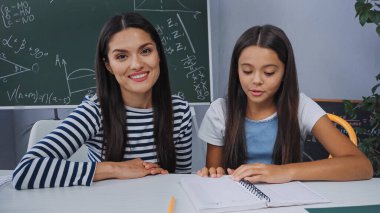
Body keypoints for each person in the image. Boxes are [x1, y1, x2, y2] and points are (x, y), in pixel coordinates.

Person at [12, 12, 192, 190]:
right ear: (108, 66)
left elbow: (181, 180)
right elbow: (25, 170)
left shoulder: (180, 111)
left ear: (158, 54)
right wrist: (115, 168)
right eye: (121, 56)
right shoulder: (95, 111)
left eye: (145, 51)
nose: (136, 64)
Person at [197, 25, 373, 183]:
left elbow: (362, 166)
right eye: (247, 71)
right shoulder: (220, 111)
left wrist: (285, 171)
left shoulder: (300, 106)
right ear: (236, 70)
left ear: (284, 73)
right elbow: (215, 178)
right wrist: (213, 173)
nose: (256, 80)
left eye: (269, 72)